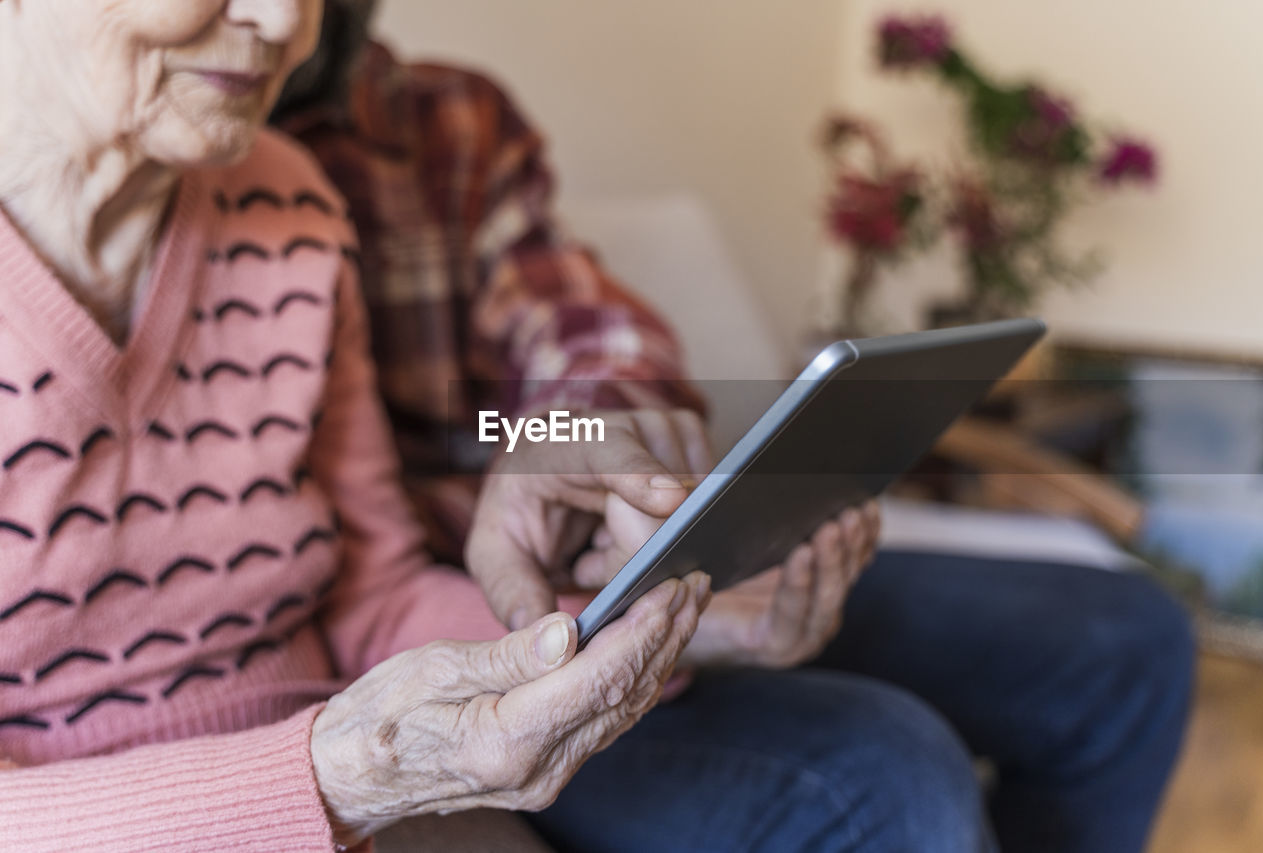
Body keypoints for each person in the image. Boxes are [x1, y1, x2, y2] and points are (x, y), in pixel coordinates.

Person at [272, 3, 1197, 852]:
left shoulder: (443, 122)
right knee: (890, 768)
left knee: (1130, 642)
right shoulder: (233, 190)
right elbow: (359, 597)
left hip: (626, 575)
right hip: (469, 632)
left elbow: (593, 331)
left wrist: (609, 452)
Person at [0, 1, 743, 848]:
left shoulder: (290, 206)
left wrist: (662, 620)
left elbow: (373, 598)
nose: (285, 22)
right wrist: (339, 776)